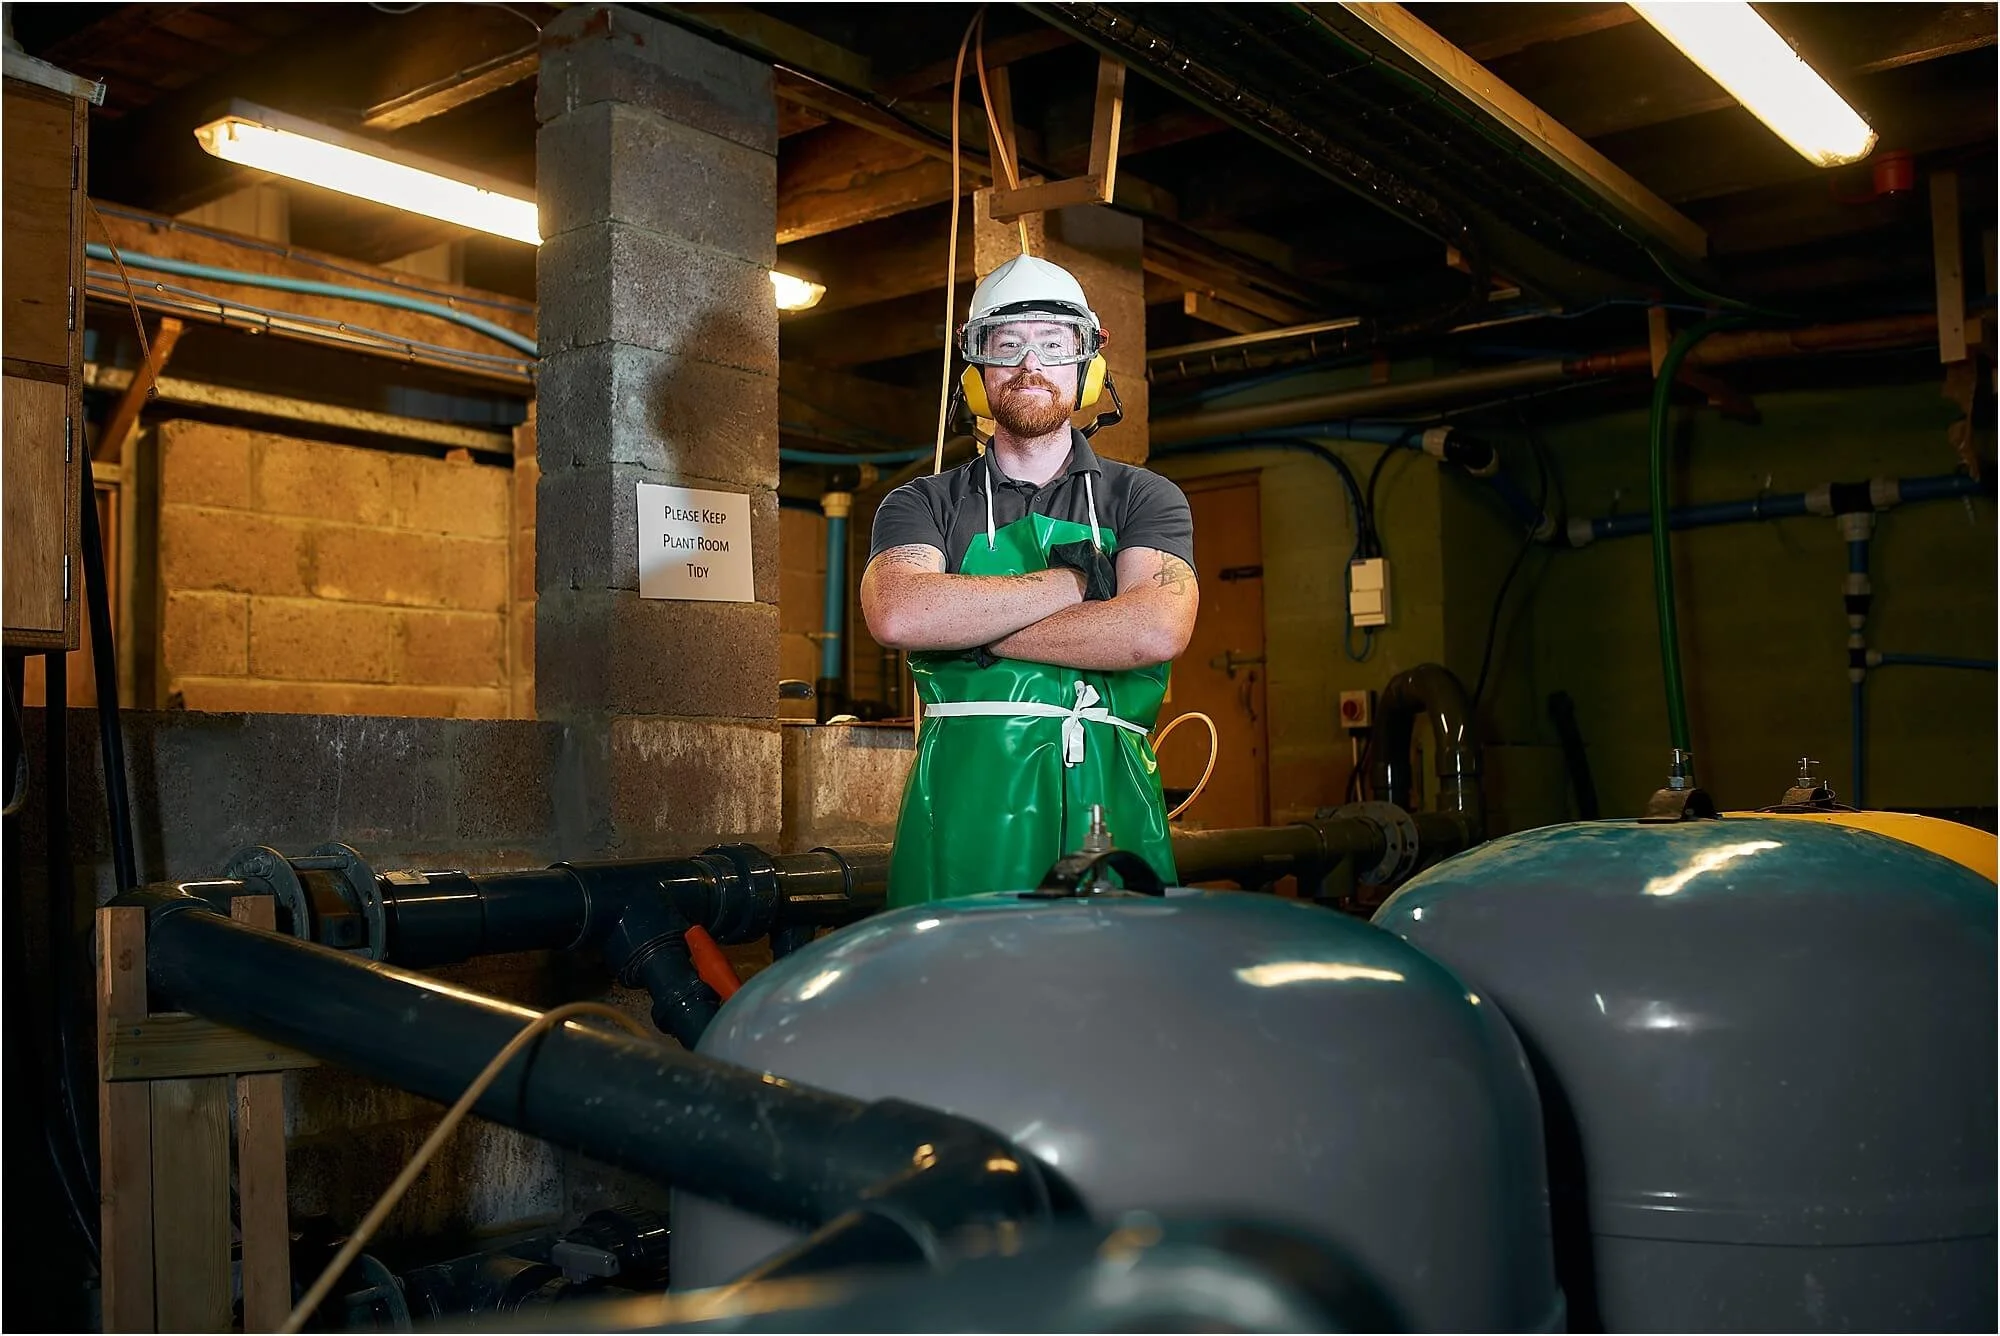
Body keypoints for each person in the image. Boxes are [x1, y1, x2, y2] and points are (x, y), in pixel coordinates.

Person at [860, 254, 1200, 905]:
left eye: (1053, 343)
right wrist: (1073, 584)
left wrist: (970, 636)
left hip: (1112, 795)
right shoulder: (922, 504)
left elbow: (1154, 628)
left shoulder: (1144, 498)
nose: (1030, 365)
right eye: (1006, 345)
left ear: (1089, 363)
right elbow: (902, 617)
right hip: (964, 809)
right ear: (978, 370)